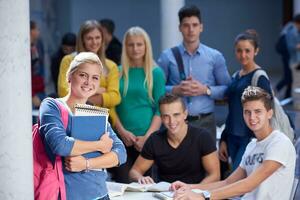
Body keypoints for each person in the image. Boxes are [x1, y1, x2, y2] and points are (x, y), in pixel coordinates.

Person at [172, 86, 296, 200]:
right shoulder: (252, 145)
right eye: (247, 112)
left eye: (258, 111)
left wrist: (203, 196)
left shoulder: (279, 143)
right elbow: (228, 182)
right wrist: (190, 188)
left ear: (269, 113)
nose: (252, 117)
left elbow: (249, 184)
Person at [39, 52, 127, 200]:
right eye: (83, 75)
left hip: (101, 195)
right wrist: (100, 145)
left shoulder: (95, 113)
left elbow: (121, 153)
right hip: (67, 195)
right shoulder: (51, 106)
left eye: (95, 78)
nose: (88, 82)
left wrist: (86, 163)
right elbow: (60, 145)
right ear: (69, 76)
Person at [157, 5, 231, 141]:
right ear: (180, 28)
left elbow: (228, 89)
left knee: (206, 162)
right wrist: (175, 89)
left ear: (201, 27)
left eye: (195, 25)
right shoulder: (167, 56)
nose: (191, 30)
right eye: (186, 25)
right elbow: (155, 89)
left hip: (205, 121)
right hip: (175, 123)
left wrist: (205, 90)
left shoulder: (215, 56)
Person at [112, 26, 166, 183]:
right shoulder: (118, 71)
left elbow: (160, 109)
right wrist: (121, 131)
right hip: (121, 139)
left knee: (145, 186)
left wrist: (147, 137)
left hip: (147, 140)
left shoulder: (155, 73)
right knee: (123, 183)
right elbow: (111, 107)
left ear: (146, 46)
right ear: (125, 47)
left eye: (139, 44)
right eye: (131, 44)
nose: (135, 48)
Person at [129, 93, 220, 184]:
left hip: (195, 192)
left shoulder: (202, 137)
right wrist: (140, 178)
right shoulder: (155, 139)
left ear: (185, 114)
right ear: (161, 118)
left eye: (176, 115)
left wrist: (192, 191)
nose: (171, 121)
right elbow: (134, 171)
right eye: (166, 116)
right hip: (165, 193)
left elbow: (215, 175)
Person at [219, 30, 273, 171]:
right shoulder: (236, 75)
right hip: (232, 136)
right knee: (234, 178)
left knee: (237, 179)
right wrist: (224, 139)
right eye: (239, 51)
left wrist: (258, 140)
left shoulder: (259, 77)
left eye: (247, 50)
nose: (243, 55)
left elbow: (266, 110)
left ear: (256, 51)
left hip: (249, 138)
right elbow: (232, 109)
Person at [57, 20, 120, 126]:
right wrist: (98, 90)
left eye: (97, 38)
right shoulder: (69, 61)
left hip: (104, 121)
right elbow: (63, 91)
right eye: (89, 38)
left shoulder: (111, 66)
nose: (94, 42)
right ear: (82, 40)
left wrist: (80, 94)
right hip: (75, 118)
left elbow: (115, 97)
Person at [275, 14, 300, 99]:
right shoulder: (292, 30)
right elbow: (291, 46)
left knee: (290, 78)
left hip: (289, 56)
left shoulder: (289, 27)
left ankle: (288, 96)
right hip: (289, 57)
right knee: (289, 78)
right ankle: (274, 91)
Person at [30, 20, 46, 108]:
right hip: (32, 92)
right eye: (37, 29)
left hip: (40, 89)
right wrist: (32, 94)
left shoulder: (38, 45)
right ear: (31, 31)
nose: (38, 32)